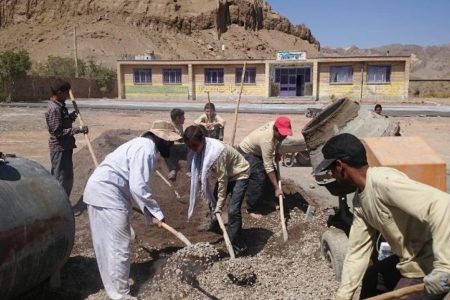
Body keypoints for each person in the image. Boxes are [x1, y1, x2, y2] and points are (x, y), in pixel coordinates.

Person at [314, 133, 450, 300]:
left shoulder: (385, 182)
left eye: (331, 170)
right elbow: (357, 252)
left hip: (431, 267)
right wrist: (343, 296)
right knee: (373, 276)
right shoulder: (360, 201)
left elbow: (443, 204)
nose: (332, 176)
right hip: (409, 262)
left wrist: (444, 268)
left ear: (341, 166)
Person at [83, 120, 181, 300]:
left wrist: (149, 212)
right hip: (108, 195)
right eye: (170, 141)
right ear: (161, 138)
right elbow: (139, 186)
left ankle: (114, 289)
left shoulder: (139, 145)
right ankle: (121, 295)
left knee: (108, 245)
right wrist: (156, 212)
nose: (172, 145)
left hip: (99, 192)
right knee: (119, 245)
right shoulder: (146, 149)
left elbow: (134, 184)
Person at [183, 125, 250, 256]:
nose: (193, 150)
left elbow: (223, 182)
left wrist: (219, 206)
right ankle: (215, 224)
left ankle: (236, 245)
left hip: (240, 173)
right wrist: (217, 204)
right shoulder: (201, 149)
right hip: (227, 173)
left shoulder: (217, 153)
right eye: (190, 147)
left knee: (233, 210)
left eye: (195, 146)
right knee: (212, 199)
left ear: (203, 140)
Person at [238, 116, 292, 219]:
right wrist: (277, 187)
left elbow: (279, 140)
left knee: (273, 175)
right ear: (275, 129)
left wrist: (277, 152)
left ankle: (267, 199)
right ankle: (251, 208)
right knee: (258, 177)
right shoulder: (267, 140)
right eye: (282, 134)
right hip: (247, 152)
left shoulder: (277, 130)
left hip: (259, 150)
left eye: (286, 134)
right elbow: (268, 167)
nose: (284, 136)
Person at [45, 79, 88, 197]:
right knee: (60, 179)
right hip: (60, 149)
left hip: (66, 147)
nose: (68, 96)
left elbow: (62, 122)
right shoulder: (54, 109)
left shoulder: (60, 106)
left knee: (67, 178)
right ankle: (59, 206)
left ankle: (64, 203)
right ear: (59, 92)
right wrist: (78, 129)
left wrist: (71, 117)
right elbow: (57, 132)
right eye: (66, 93)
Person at [165, 108, 192, 180]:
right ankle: (172, 169)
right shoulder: (169, 126)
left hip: (181, 147)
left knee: (191, 147)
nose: (184, 119)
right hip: (172, 148)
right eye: (183, 117)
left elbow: (182, 138)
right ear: (177, 118)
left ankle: (189, 169)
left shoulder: (180, 126)